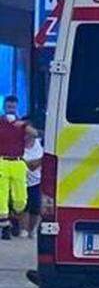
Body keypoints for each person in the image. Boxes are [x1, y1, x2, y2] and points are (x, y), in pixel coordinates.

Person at [0, 96, 33, 241]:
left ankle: (13, 216)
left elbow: (35, 134)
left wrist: (23, 126)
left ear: (16, 107)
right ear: (4, 107)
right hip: (2, 160)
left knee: (21, 200)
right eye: (8, 107)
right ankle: (5, 226)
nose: (10, 109)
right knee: (1, 196)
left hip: (18, 162)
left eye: (13, 107)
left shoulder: (21, 123)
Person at [21, 134, 43, 239]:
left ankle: (32, 229)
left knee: (36, 206)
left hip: (37, 181)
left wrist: (34, 163)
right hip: (21, 180)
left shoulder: (41, 143)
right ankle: (24, 229)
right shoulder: (17, 145)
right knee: (23, 205)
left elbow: (44, 159)